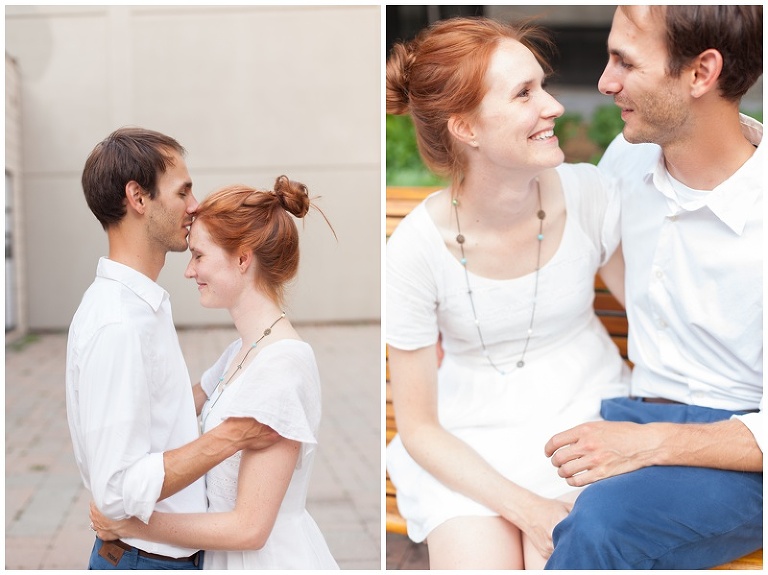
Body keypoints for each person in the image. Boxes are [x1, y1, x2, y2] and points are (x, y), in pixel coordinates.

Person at [385, 17, 631, 569]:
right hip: (465, 445)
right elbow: (419, 426)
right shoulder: (414, 252)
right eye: (524, 93)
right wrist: (526, 508)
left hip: (585, 423)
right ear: (466, 128)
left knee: (560, 556)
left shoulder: (589, 195)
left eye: (541, 85)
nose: (554, 107)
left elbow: (657, 314)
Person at [544, 5, 763, 569]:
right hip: (634, 411)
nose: (604, 82)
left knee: (601, 527)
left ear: (700, 73)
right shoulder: (627, 157)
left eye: (625, 60)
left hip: (744, 450)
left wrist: (649, 444)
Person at [90, 176, 340, 569]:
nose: (189, 271)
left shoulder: (283, 366)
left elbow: (249, 529)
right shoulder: (239, 351)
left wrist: (131, 524)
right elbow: (176, 406)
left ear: (243, 259)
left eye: (199, 256)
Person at [66, 127, 278, 570]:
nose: (194, 205)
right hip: (146, 561)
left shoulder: (140, 307)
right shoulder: (119, 323)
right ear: (138, 198)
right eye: (183, 192)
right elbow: (118, 488)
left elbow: (163, 409)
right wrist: (231, 436)